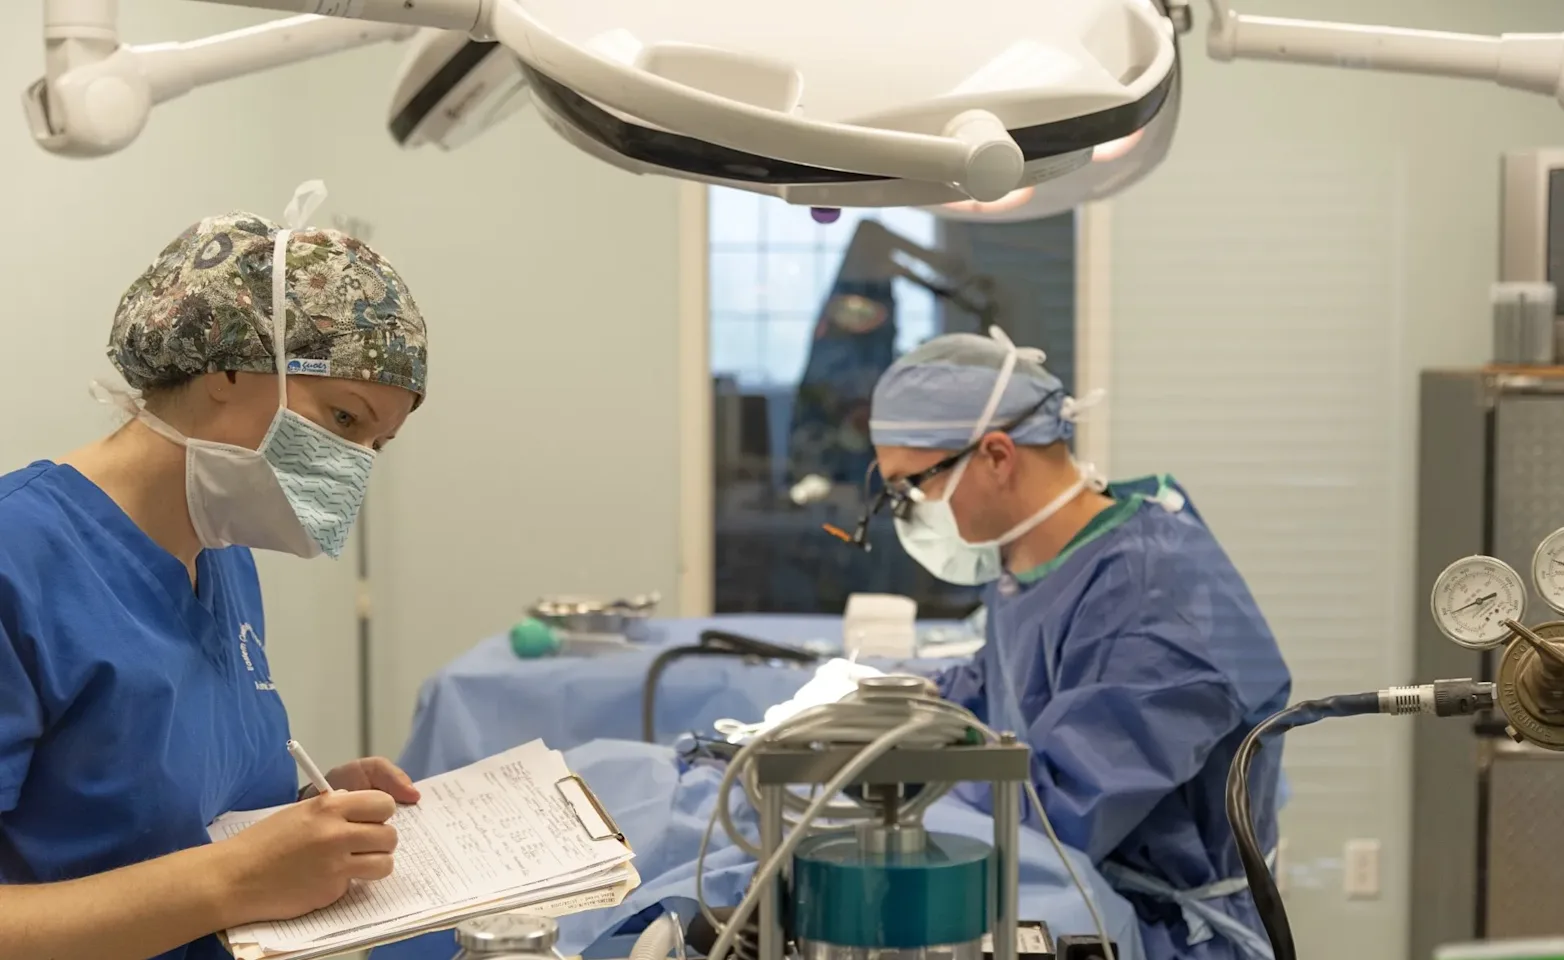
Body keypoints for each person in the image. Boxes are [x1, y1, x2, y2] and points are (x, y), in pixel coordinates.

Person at [0, 186, 430, 960]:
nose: (355, 466)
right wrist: (235, 880)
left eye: (378, 444)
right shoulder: (18, 560)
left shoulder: (217, 552)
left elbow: (178, 812)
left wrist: (308, 815)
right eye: (343, 419)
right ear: (227, 368)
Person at [865, 328, 1293, 960]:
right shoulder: (1042, 558)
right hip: (1086, 909)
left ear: (997, 456)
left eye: (912, 486)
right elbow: (1001, 684)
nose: (905, 509)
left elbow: (1061, 805)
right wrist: (887, 701)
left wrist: (902, 775)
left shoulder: (1157, 596)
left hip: (1164, 937)